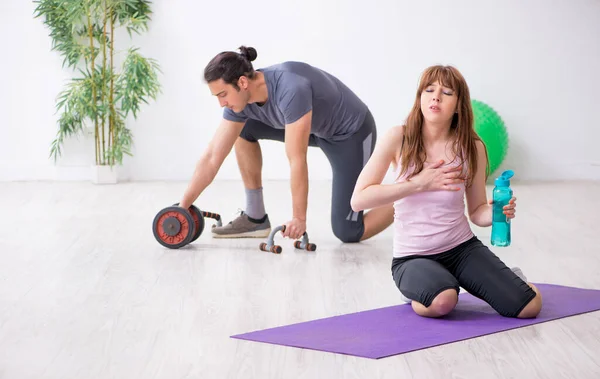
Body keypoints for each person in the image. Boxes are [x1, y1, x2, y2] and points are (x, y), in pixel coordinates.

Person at [350, 65, 542, 318]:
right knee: (443, 301)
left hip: (462, 249)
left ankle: (499, 279)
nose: (435, 96)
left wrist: (495, 212)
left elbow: (476, 211)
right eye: (429, 90)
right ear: (420, 98)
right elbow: (358, 200)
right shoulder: (398, 138)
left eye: (446, 92)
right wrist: (418, 184)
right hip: (413, 257)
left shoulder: (472, 147)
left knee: (528, 307)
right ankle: (421, 288)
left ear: (459, 105)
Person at [178, 46, 393, 243]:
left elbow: (296, 159)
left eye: (223, 94)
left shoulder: (291, 89)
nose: (221, 103)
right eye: (217, 96)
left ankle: (413, 197)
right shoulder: (239, 103)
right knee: (243, 130)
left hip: (351, 134)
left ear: (242, 82)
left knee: (348, 231)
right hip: (315, 129)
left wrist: (299, 218)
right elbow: (213, 156)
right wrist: (182, 206)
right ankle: (255, 217)